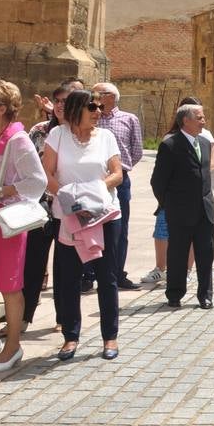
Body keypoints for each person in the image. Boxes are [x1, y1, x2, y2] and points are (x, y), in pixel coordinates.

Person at [42, 88, 123, 362]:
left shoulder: (106, 137)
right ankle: (70, 337)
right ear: (77, 109)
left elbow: (117, 174)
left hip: (103, 215)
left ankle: (109, 337)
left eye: (99, 107)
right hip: (68, 216)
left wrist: (92, 194)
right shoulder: (57, 135)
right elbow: (47, 173)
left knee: (107, 278)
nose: (98, 112)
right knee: (68, 279)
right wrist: (69, 199)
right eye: (92, 107)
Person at [0, 80, 47, 372]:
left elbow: (37, 181)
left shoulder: (17, 140)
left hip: (6, 221)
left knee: (9, 286)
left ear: (1, 108)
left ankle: (13, 345)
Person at [142, 96, 214, 289]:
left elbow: (206, 176)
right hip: (180, 212)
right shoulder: (170, 144)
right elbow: (158, 181)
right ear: (186, 120)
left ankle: (205, 295)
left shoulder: (206, 143)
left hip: (205, 211)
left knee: (206, 254)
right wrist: (170, 204)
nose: (204, 121)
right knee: (177, 254)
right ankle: (175, 293)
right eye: (199, 118)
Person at [21, 85, 70, 331]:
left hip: (67, 209)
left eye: (66, 101)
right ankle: (24, 316)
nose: (61, 104)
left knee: (64, 267)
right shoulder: (39, 131)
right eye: (57, 100)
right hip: (40, 207)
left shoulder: (79, 133)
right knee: (32, 265)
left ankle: (63, 318)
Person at [86, 82, 141, 293]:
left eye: (99, 93)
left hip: (120, 179)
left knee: (120, 228)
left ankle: (117, 273)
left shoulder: (129, 119)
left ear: (111, 96)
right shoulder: (91, 118)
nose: (96, 96)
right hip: (92, 178)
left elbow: (136, 150)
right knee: (89, 225)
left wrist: (121, 170)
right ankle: (89, 274)